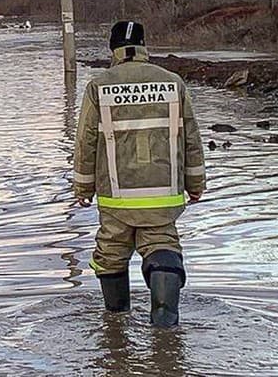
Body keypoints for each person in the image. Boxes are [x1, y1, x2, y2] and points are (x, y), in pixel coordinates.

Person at [73, 21, 206, 327]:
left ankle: (116, 325)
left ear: (113, 49)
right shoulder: (173, 83)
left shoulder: (99, 86)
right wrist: (195, 184)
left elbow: (85, 142)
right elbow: (191, 140)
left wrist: (83, 188)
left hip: (116, 199)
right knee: (163, 249)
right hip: (163, 196)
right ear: (145, 47)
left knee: (110, 256)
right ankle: (165, 326)